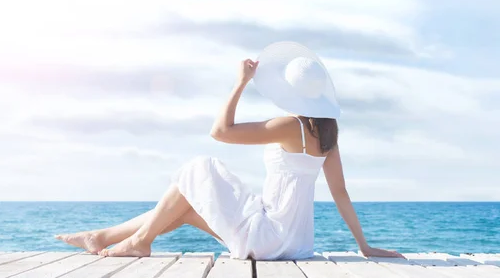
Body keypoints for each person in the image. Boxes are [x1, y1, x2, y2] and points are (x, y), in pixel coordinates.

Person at [55, 43, 404, 260]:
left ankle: (141, 240)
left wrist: (240, 82)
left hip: (267, 237)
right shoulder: (328, 133)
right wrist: (364, 245)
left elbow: (219, 132)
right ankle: (101, 237)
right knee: (186, 207)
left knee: (198, 167)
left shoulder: (290, 126)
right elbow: (340, 193)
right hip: (296, 243)